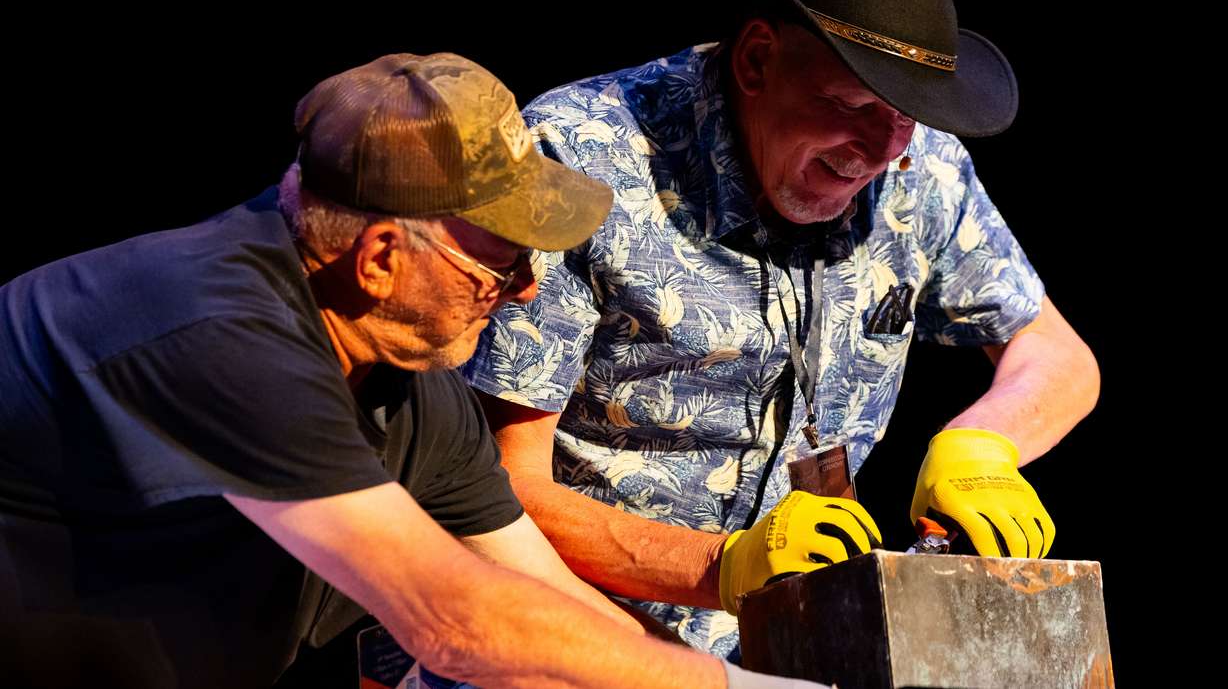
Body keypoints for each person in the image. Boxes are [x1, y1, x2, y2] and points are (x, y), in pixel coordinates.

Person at [0, 53, 822, 688]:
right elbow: (454, 619)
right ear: (383, 256)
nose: (529, 288)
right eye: (502, 265)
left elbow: (540, 597)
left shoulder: (418, 391)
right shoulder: (220, 332)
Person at [464, 0, 1101, 656]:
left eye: (905, 117)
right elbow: (488, 493)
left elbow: (1058, 356)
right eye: (854, 104)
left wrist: (982, 442)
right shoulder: (580, 158)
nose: (877, 151)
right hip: (565, 634)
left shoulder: (919, 166)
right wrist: (721, 565)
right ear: (758, 58)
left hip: (795, 646)